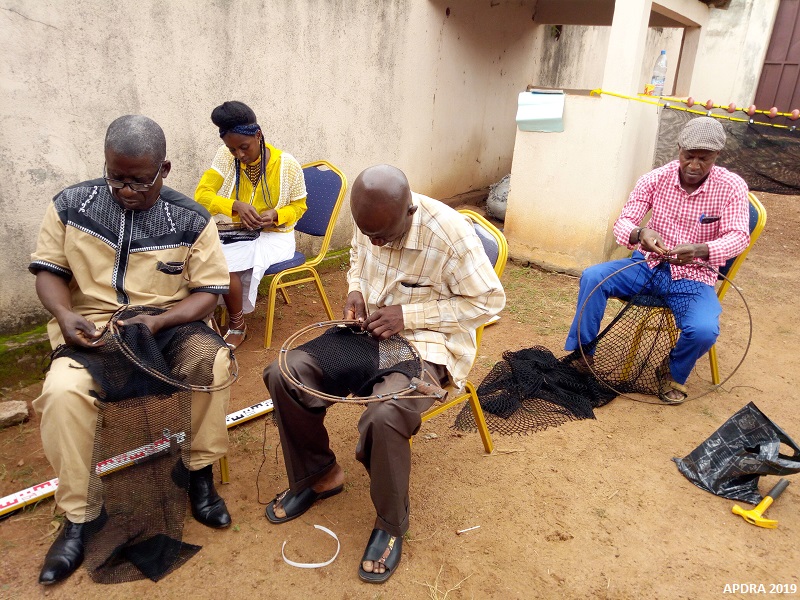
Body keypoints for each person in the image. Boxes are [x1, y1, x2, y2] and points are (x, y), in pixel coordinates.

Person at [262, 165, 506, 583]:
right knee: (285, 373)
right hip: (368, 331)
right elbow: (359, 255)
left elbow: (488, 303)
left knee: (385, 413)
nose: (374, 241)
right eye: (367, 231)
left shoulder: (450, 234)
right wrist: (356, 289)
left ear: (408, 211)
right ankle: (318, 475)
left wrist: (408, 315)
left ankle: (391, 524)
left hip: (425, 345)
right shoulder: (371, 220)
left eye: (382, 236)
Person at [30, 115, 233, 585]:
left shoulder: (192, 219)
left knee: (215, 363)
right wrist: (64, 315)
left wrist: (161, 319)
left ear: (164, 169)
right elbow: (49, 273)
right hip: (94, 329)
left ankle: (199, 473)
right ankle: (79, 517)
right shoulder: (69, 206)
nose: (125, 190)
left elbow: (208, 292)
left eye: (139, 180)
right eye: (115, 176)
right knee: (62, 393)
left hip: (166, 326)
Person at [565, 116, 750, 404]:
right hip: (645, 266)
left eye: (705, 159)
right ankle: (582, 354)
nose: (694, 165)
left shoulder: (732, 187)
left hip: (694, 278)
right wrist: (641, 233)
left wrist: (700, 250)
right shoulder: (655, 178)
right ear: (678, 149)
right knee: (593, 276)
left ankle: (671, 370)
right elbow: (623, 222)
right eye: (689, 156)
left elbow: (739, 237)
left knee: (703, 330)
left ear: (717, 156)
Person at [195, 101, 307, 349]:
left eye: (243, 147)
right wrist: (235, 205)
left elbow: (300, 206)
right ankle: (205, 317)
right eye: (232, 149)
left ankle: (237, 325)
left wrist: (276, 215)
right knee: (204, 257)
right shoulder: (226, 157)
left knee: (225, 264)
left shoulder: (286, 164)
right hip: (242, 234)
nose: (239, 155)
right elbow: (202, 195)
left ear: (258, 135)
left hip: (277, 237)